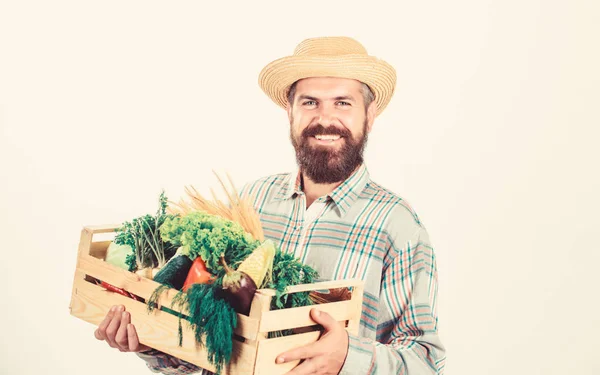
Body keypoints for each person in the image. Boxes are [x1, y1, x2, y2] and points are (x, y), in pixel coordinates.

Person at [94, 36, 446, 375]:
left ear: (369, 116)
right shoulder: (249, 202)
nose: (325, 118)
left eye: (343, 102)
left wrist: (346, 359)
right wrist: (152, 342)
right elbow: (210, 345)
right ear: (289, 112)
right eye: (310, 102)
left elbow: (425, 362)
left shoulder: (397, 226)